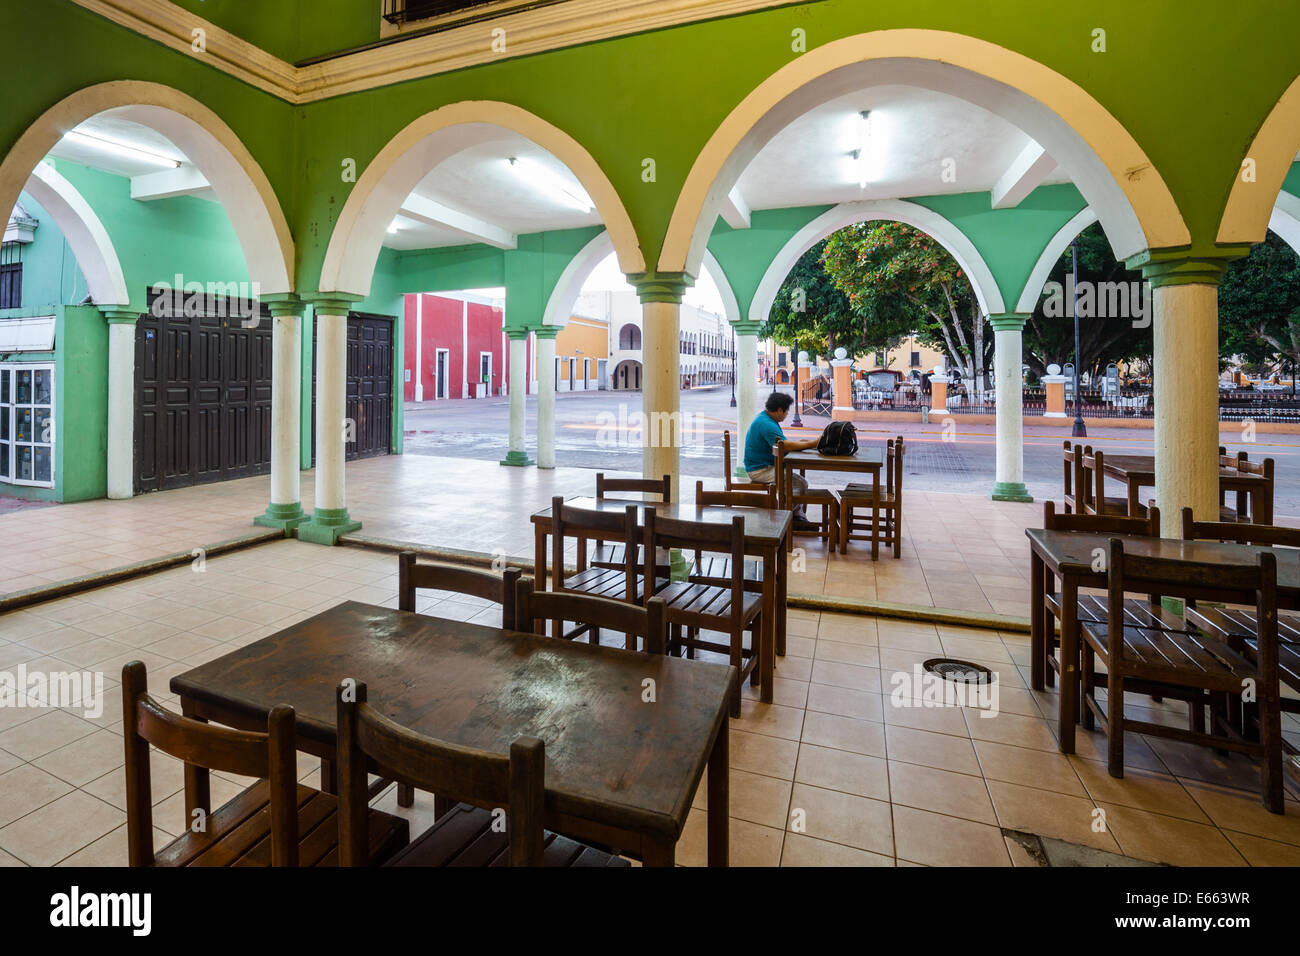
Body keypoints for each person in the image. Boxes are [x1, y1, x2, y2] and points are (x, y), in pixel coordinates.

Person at [743, 392, 820, 531]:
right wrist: (812, 444)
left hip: (764, 466)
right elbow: (784, 445)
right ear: (779, 410)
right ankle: (785, 519)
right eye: (786, 411)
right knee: (800, 484)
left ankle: (796, 517)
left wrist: (800, 444)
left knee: (798, 483)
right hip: (760, 470)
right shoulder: (766, 424)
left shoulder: (765, 419)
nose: (786, 414)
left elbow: (782, 444)